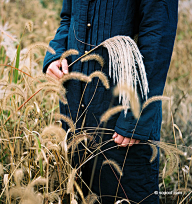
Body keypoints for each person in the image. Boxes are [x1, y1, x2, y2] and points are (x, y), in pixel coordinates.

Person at [43, 0, 178, 203]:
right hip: (75, 116)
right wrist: (55, 54)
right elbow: (68, 17)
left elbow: (157, 38)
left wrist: (135, 117)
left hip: (121, 120)